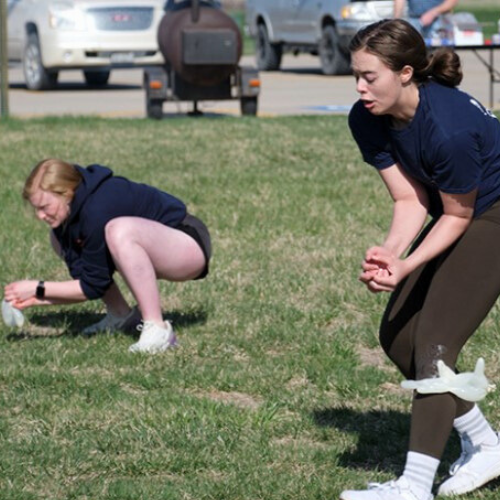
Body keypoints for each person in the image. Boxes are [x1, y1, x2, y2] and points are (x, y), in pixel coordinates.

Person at [342, 19, 500, 500]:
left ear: (406, 72)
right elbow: (410, 200)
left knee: (433, 344)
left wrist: (409, 266)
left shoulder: (448, 128)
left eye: (371, 76)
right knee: (399, 336)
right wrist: (392, 253)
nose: (360, 87)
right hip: (464, 212)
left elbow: (457, 213)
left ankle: (413, 487)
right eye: (356, 75)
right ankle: (486, 446)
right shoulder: (365, 117)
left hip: (493, 214)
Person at [4, 159, 211, 354]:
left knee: (119, 231)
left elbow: (92, 286)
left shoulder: (97, 209)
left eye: (44, 207)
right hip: (160, 245)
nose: (40, 215)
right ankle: (120, 315)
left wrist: (38, 288)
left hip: (188, 245)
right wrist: (35, 297)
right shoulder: (68, 214)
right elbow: (86, 281)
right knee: (59, 238)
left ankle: (157, 328)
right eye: (35, 208)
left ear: (67, 194)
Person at [393, 0, 458, 39]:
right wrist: (395, 21)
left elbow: (452, 1)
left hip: (439, 19)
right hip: (414, 21)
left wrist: (433, 13)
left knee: (440, 54)